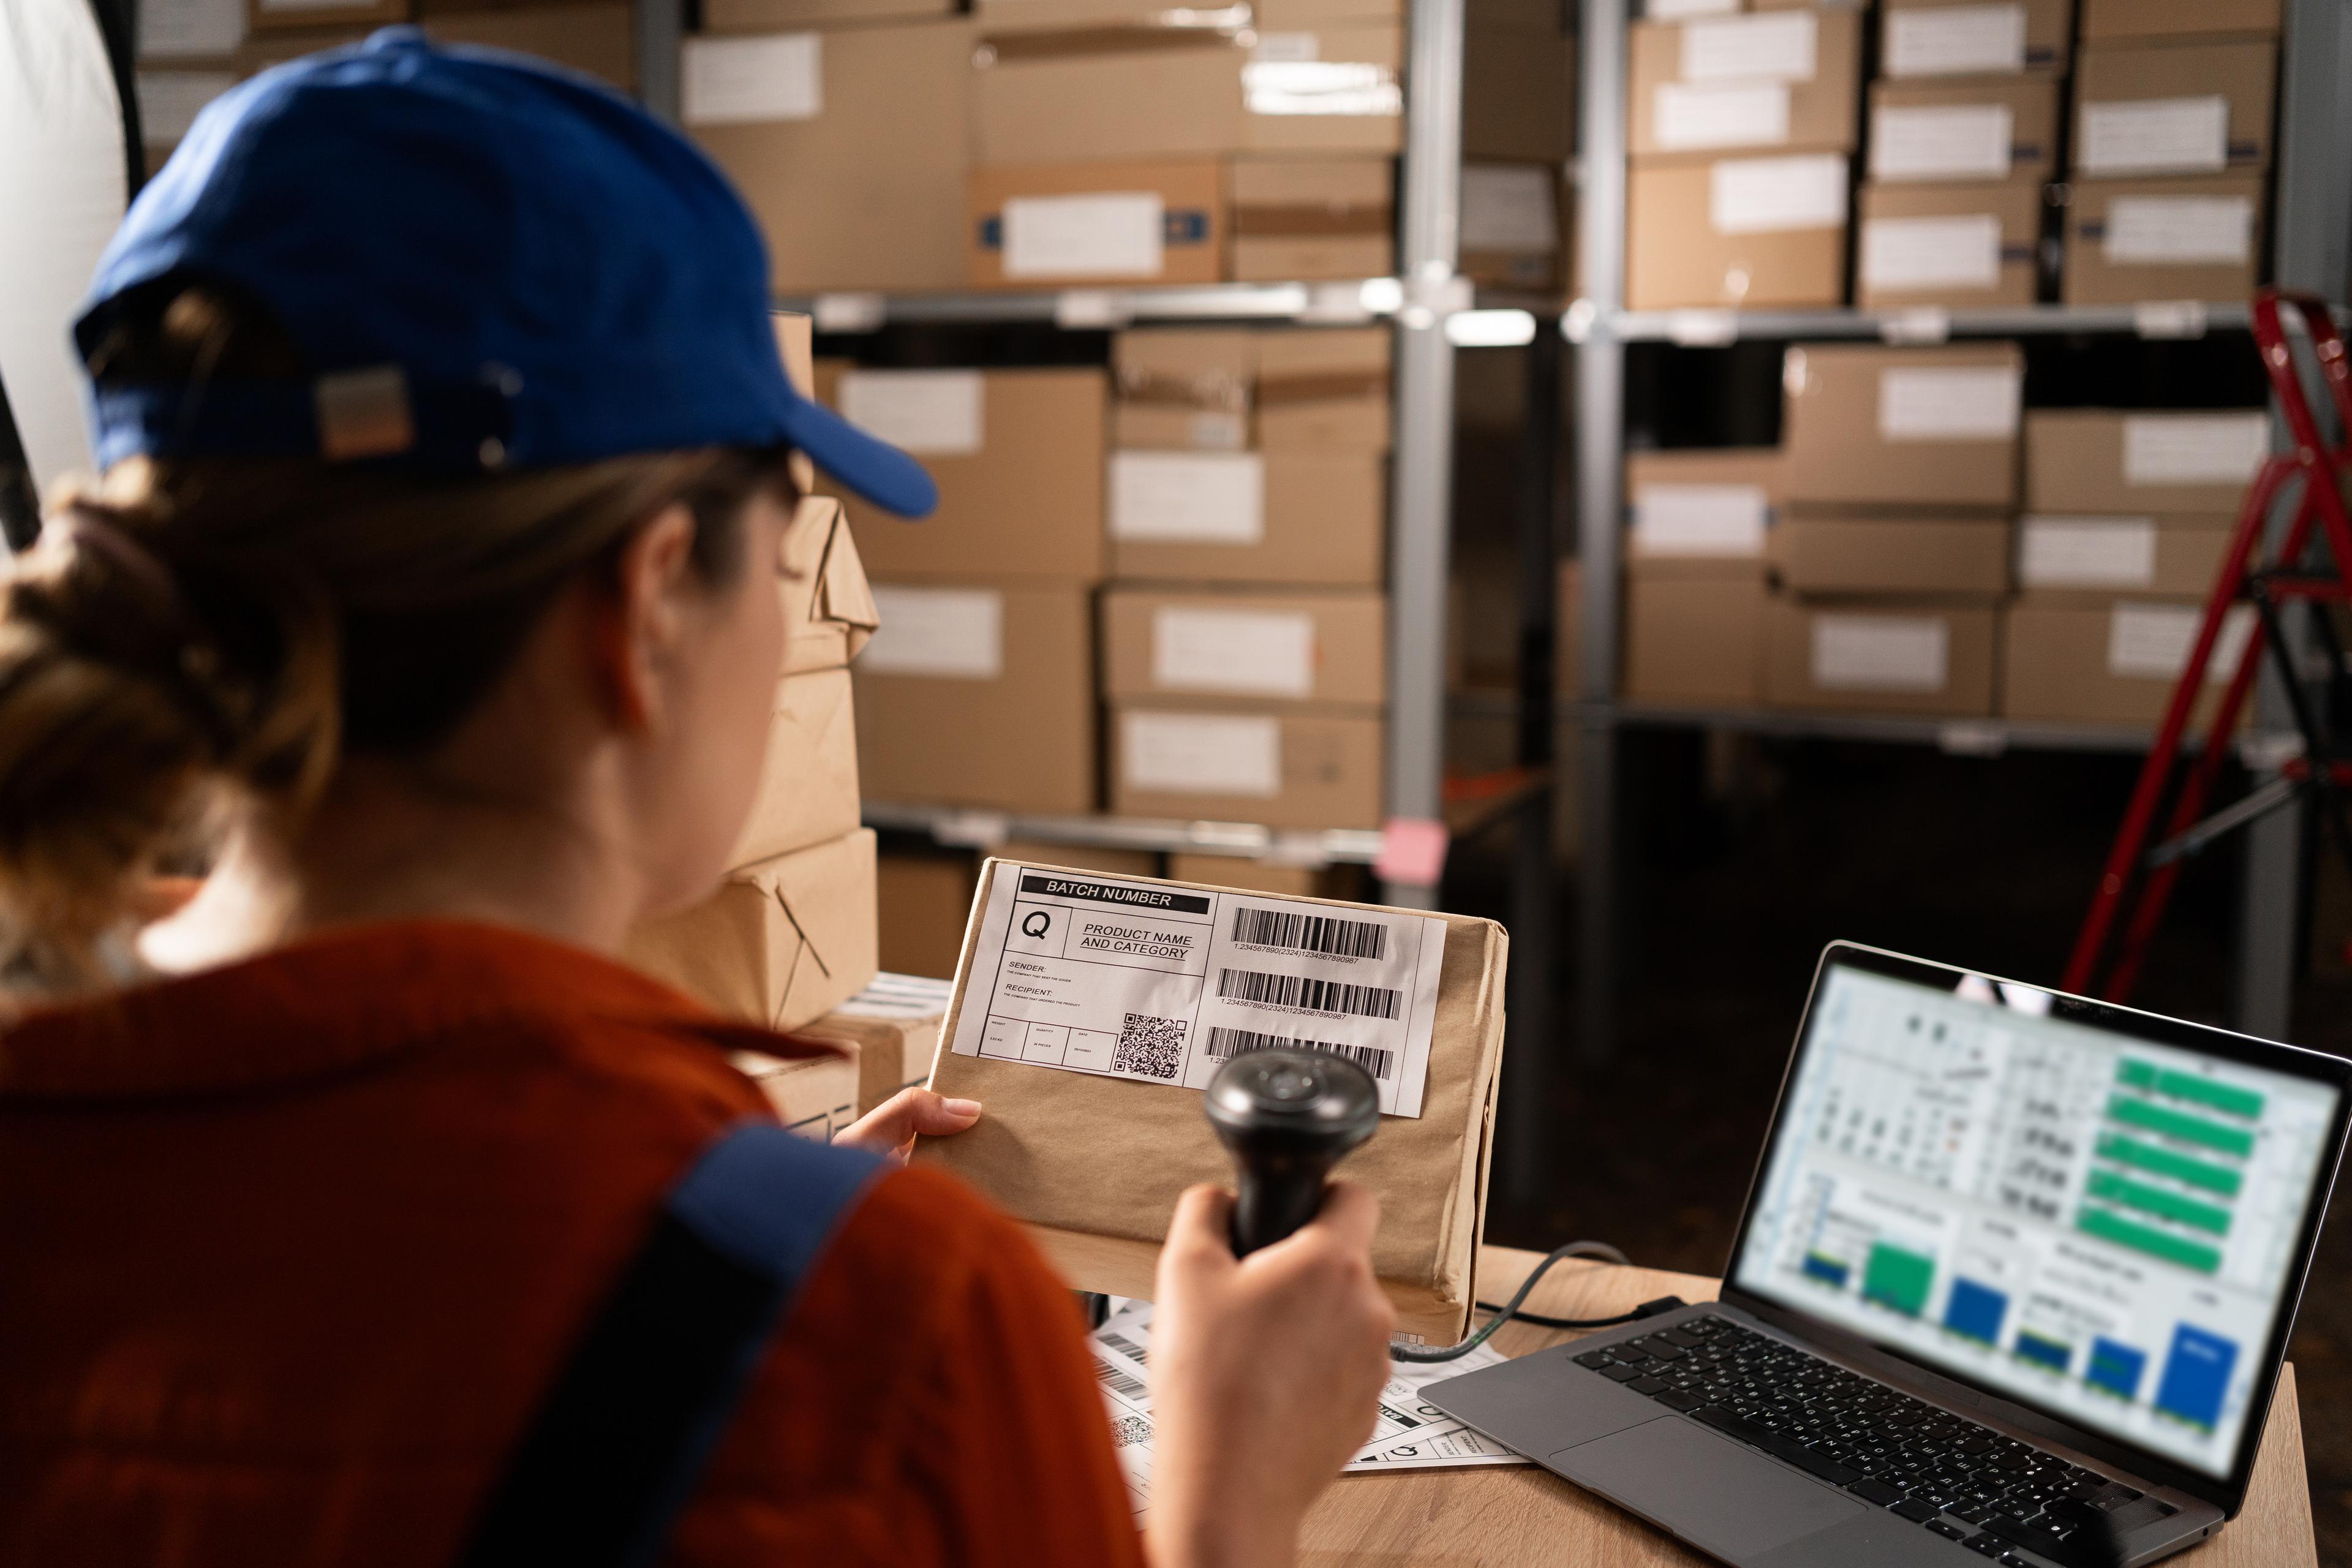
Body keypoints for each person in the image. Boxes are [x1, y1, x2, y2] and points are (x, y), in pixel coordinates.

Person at [0, 29, 1396, 1567]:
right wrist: (1229, 1496)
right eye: (787, 531)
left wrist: (747, 1218)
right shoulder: (894, 1338)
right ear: (652, 599)